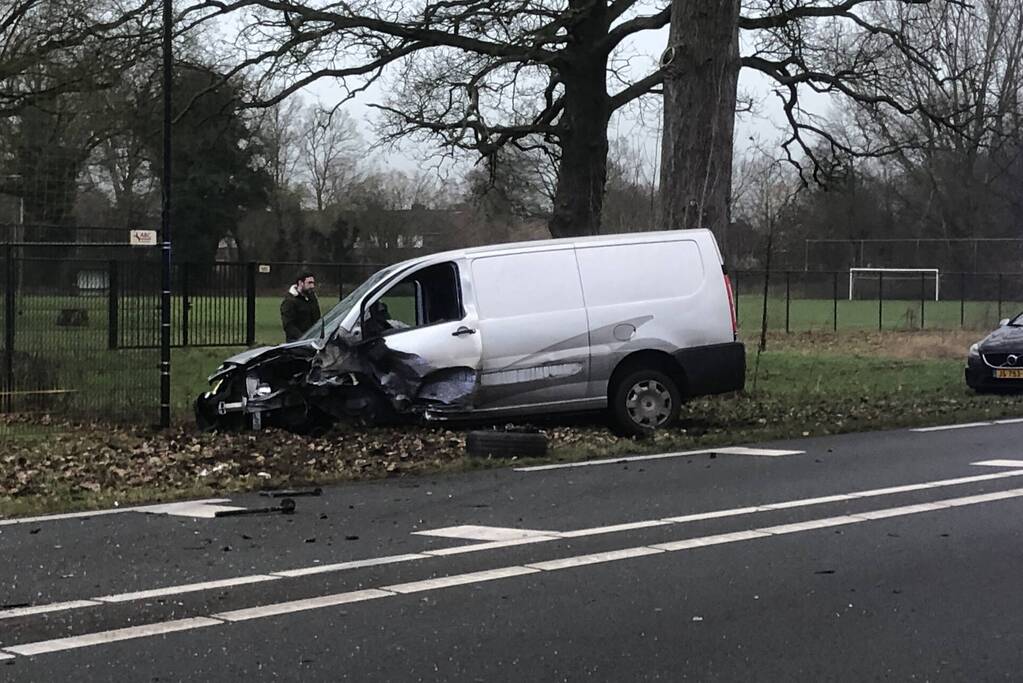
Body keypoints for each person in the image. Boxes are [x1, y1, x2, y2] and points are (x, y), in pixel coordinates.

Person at [280, 271, 321, 342]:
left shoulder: (312, 298)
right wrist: (303, 338)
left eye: (313, 283)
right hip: (297, 343)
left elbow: (317, 319)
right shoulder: (289, 301)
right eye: (309, 283)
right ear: (300, 283)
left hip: (313, 340)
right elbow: (288, 325)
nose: (312, 286)